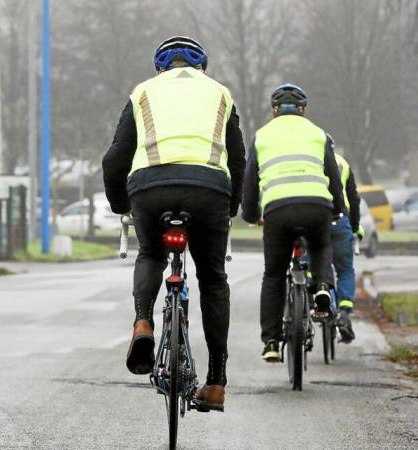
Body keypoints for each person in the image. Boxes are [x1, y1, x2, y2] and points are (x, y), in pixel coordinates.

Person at [102, 36, 246, 412]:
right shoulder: (221, 94)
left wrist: (123, 206)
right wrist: (230, 208)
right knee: (213, 279)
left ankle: (143, 322)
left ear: (160, 67)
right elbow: (239, 159)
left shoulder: (142, 93)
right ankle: (216, 382)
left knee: (151, 254)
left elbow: (115, 159)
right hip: (208, 191)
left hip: (150, 189)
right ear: (202, 66)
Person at [241, 83, 345, 363]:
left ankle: (272, 342)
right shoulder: (318, 134)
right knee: (322, 246)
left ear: (273, 111)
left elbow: (250, 181)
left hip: (278, 210)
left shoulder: (261, 135)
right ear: (304, 110)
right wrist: (338, 209)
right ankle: (322, 286)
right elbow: (333, 175)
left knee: (273, 275)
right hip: (316, 207)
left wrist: (251, 215)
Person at [331, 152, 364, 343]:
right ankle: (344, 312)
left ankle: (314, 295)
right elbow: (354, 199)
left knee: (312, 260)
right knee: (345, 270)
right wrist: (355, 227)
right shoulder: (343, 162)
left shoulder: (305, 156)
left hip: (312, 218)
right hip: (340, 220)